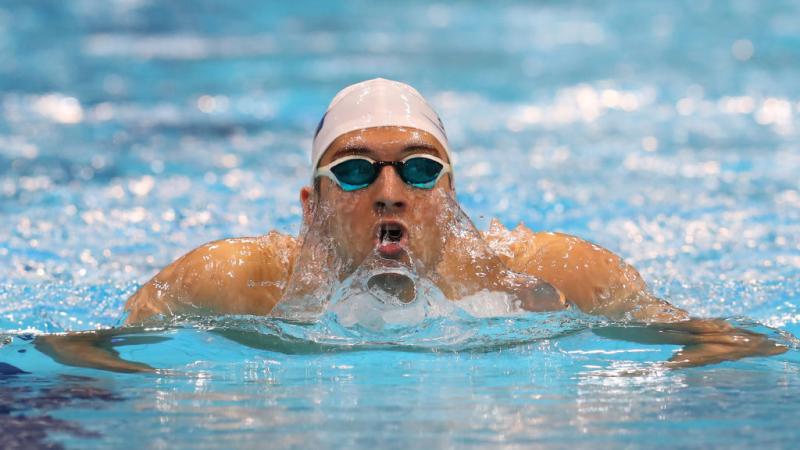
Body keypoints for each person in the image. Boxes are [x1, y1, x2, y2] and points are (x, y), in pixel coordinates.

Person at [37, 79, 786, 372]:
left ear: (451, 194)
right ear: (313, 206)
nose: (389, 191)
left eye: (419, 169)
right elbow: (67, 350)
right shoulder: (230, 282)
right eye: (356, 171)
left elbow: (740, 343)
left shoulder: (555, 275)